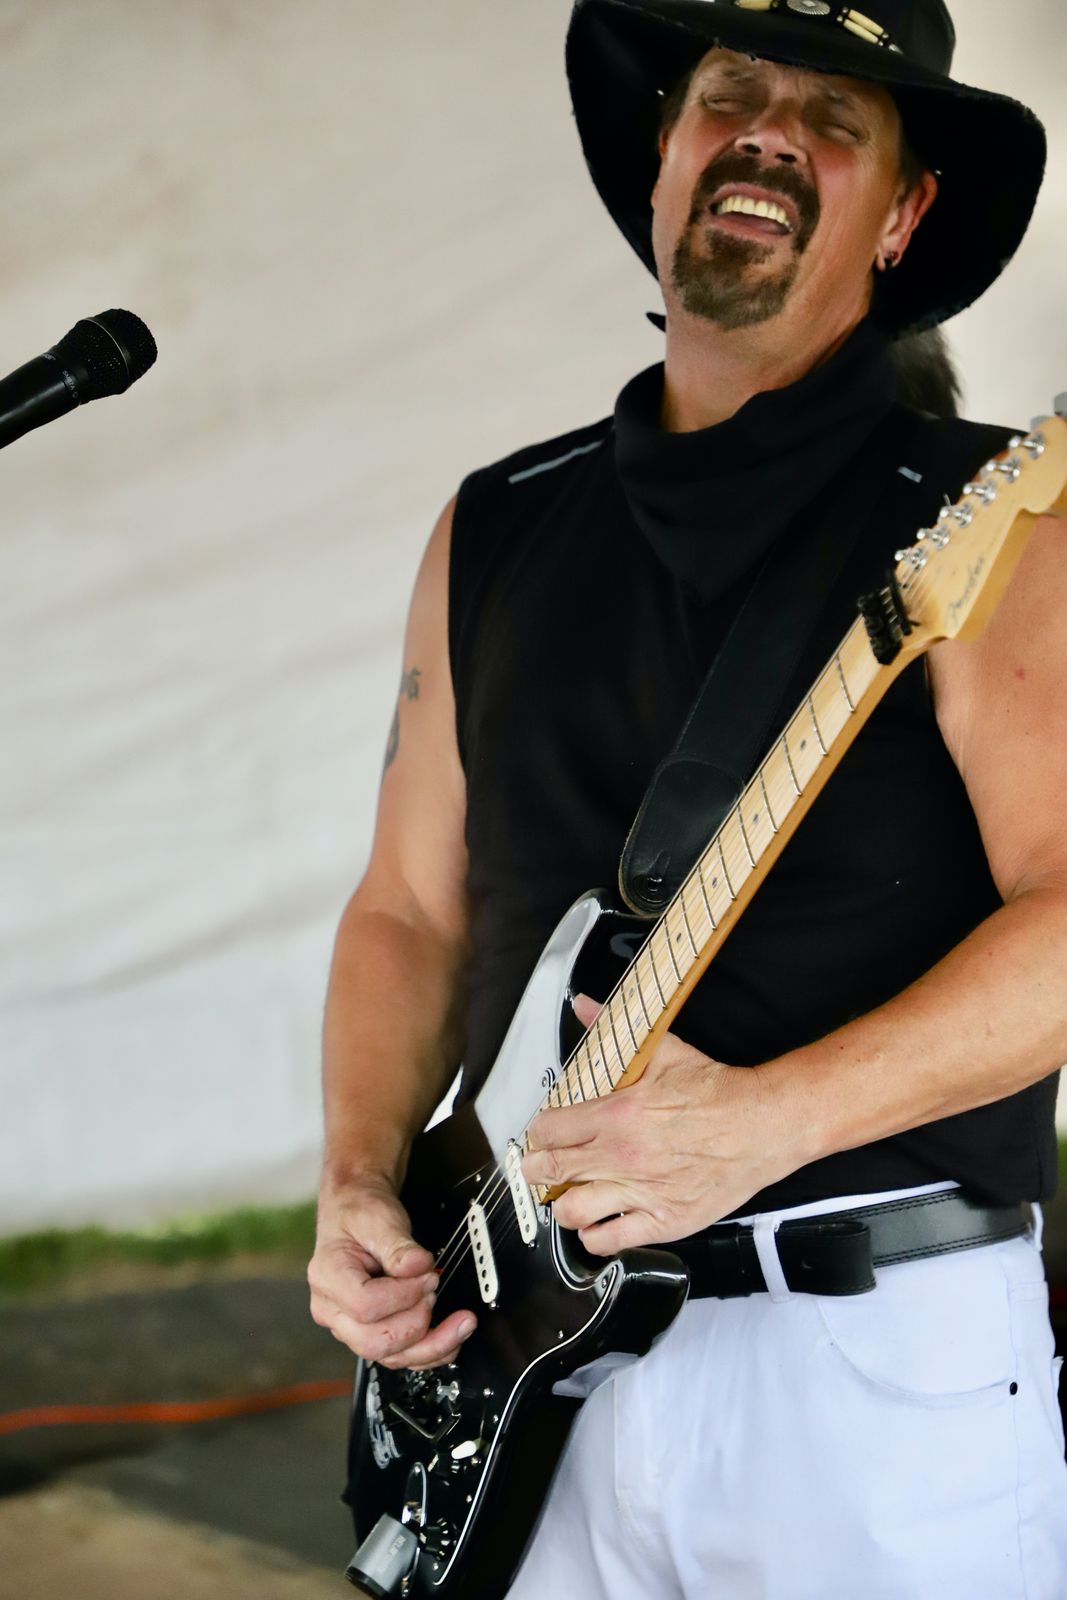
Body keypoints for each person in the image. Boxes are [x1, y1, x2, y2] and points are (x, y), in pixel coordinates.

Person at [308, 0, 1067, 1593]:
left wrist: (775, 1120)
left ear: (905, 213)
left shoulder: (995, 527)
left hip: (859, 1370)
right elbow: (407, 909)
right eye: (730, 93)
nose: (770, 131)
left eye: (836, 118)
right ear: (664, 153)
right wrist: (360, 1177)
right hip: (518, 1363)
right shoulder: (495, 525)